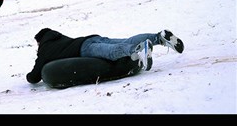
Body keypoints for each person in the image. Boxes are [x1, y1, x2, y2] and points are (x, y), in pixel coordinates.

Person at [26, 28, 184, 84]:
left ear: (40, 41)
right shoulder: (60, 38)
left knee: (112, 53)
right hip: (92, 38)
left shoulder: (45, 48)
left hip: (85, 48)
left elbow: (34, 76)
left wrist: (28, 76)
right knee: (124, 41)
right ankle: (159, 37)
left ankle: (139, 50)